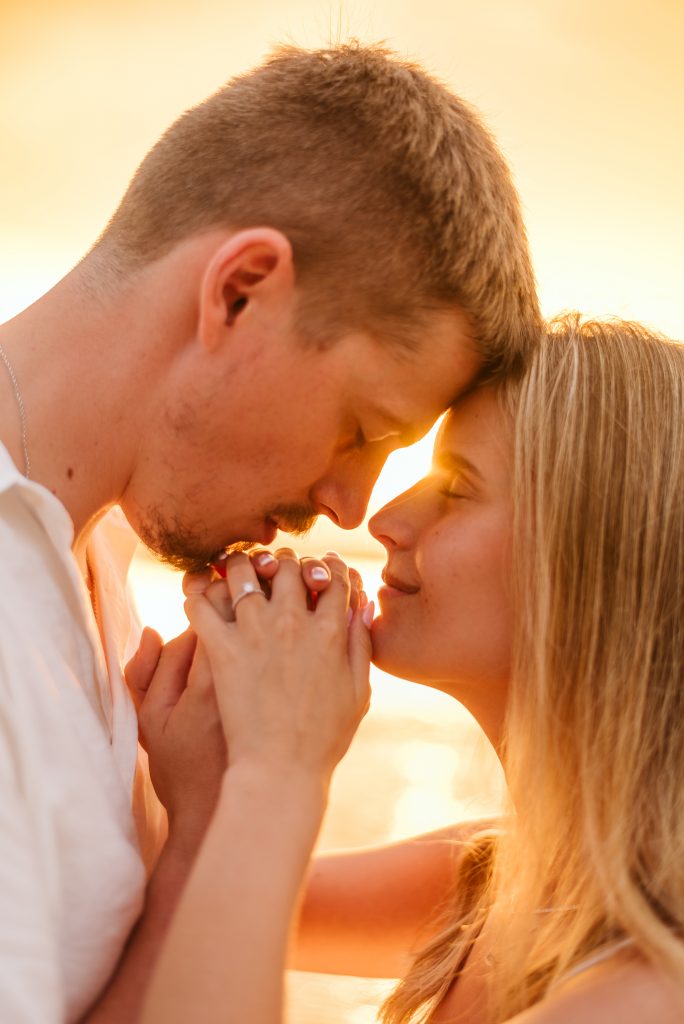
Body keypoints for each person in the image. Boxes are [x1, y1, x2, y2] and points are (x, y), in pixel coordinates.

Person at [0, 41, 540, 1023]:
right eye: (362, 430)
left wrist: (206, 831)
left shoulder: (100, 578)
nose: (350, 508)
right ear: (241, 289)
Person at [139, 314, 684, 1023]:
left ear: (593, 565)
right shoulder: (499, 879)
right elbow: (188, 906)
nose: (385, 519)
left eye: (456, 490)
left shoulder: (647, 995)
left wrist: (280, 764)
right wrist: (214, 753)